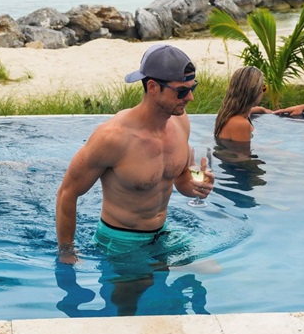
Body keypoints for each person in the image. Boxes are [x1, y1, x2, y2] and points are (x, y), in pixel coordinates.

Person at [55, 44, 214, 264]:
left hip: (162, 234)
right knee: (139, 297)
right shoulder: (113, 138)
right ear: (152, 87)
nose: (190, 98)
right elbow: (67, 192)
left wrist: (197, 186)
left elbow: (180, 180)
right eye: (182, 91)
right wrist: (66, 252)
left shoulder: (181, 122)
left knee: (212, 270)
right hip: (121, 242)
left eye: (192, 88)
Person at [213, 66, 268, 142]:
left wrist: (263, 110)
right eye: (264, 88)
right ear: (254, 92)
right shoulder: (241, 124)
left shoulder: (230, 113)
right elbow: (243, 153)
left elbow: (249, 111)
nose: (263, 92)